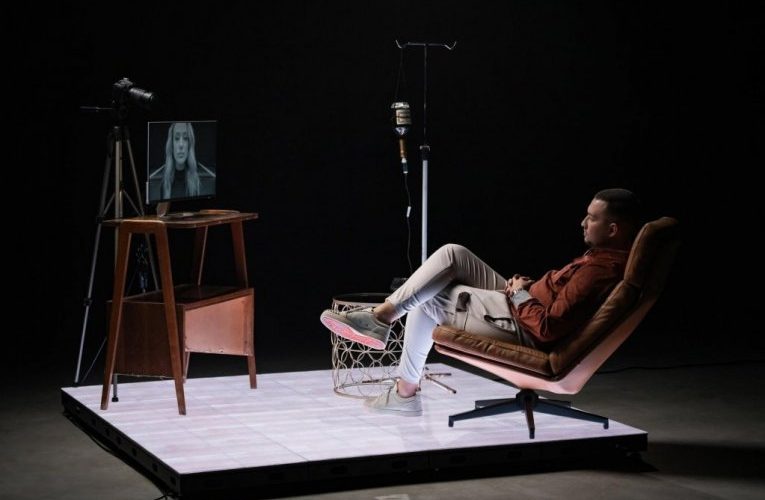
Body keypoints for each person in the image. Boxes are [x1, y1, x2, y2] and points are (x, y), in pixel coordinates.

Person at [320, 188, 643, 416]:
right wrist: (525, 289)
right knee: (454, 254)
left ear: (613, 229)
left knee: (429, 297)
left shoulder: (600, 271)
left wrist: (519, 295)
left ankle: (402, 386)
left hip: (521, 324)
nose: (583, 223)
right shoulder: (602, 257)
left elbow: (547, 328)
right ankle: (382, 319)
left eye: (592, 218)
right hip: (521, 304)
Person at [148, 122, 215, 201]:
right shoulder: (165, 185)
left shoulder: (196, 183)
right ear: (171, 145)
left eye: (185, 138)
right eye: (176, 138)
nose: (181, 145)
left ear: (189, 144)